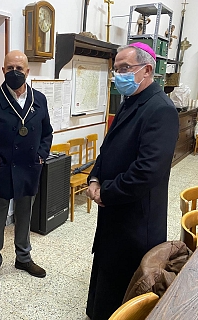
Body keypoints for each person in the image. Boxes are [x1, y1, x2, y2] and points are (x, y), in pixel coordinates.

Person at [85, 42, 179, 320]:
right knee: (106, 267)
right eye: (116, 70)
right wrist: (94, 177)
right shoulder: (130, 102)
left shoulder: (160, 109)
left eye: (125, 68)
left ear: (147, 69)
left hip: (137, 217)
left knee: (125, 278)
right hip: (115, 208)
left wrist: (106, 193)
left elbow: (147, 171)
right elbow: (108, 148)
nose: (119, 75)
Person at [0, 50, 53, 293]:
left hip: (29, 168)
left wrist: (41, 154)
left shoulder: (39, 100)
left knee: (24, 217)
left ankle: (23, 258)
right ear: (3, 70)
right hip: (1, 170)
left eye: (19, 68)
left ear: (27, 72)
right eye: (10, 68)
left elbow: (47, 132)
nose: (14, 72)